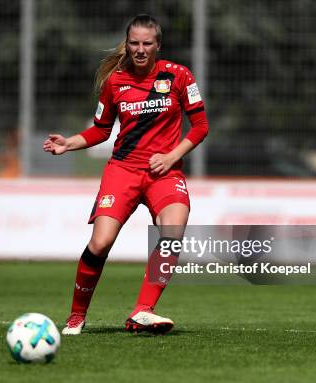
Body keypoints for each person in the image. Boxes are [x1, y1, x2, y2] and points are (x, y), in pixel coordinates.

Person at [43, 14, 209, 335]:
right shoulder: (115, 82)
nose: (141, 49)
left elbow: (201, 126)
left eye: (147, 43)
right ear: (127, 44)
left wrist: (171, 156)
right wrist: (69, 143)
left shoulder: (179, 77)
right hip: (123, 171)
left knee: (172, 234)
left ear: (158, 45)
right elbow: (101, 131)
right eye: (135, 43)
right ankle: (77, 315)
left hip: (164, 173)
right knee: (101, 243)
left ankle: (143, 311)